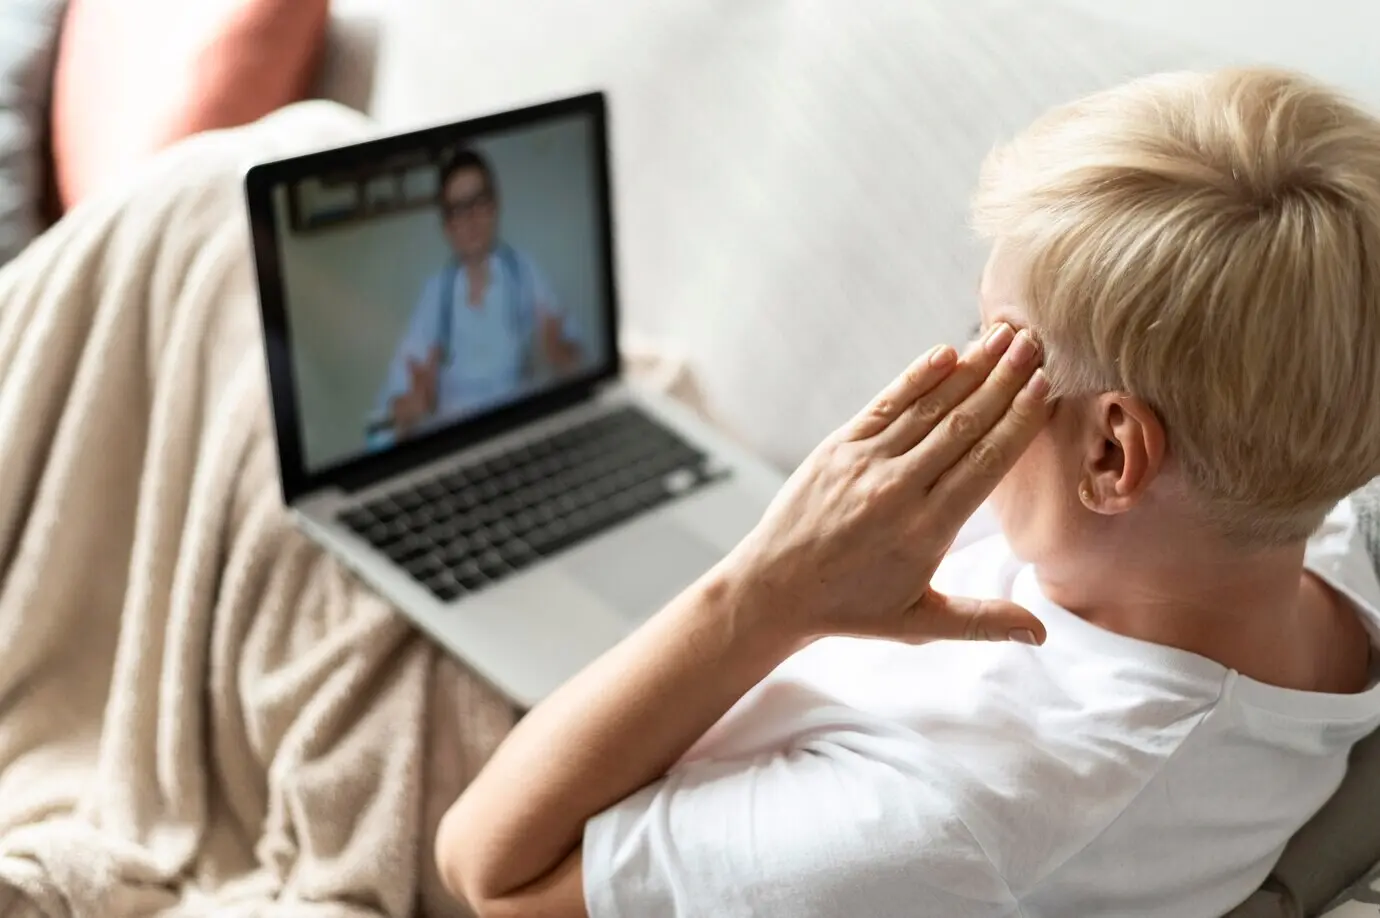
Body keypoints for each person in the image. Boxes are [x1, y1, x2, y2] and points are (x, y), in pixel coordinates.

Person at [433, 68, 1380, 917]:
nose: (962, 364)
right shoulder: (1324, 536)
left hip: (547, 771)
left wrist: (764, 587)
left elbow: (490, 876)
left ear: (1110, 452)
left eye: (995, 335)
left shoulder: (940, 828)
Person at [372, 148, 584, 442]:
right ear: (447, 226)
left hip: (520, 436)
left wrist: (559, 357)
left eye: (478, 201)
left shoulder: (525, 274)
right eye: (458, 209)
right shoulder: (435, 296)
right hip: (457, 446)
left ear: (494, 206)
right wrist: (408, 411)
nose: (470, 219)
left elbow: (579, 363)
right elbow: (379, 427)